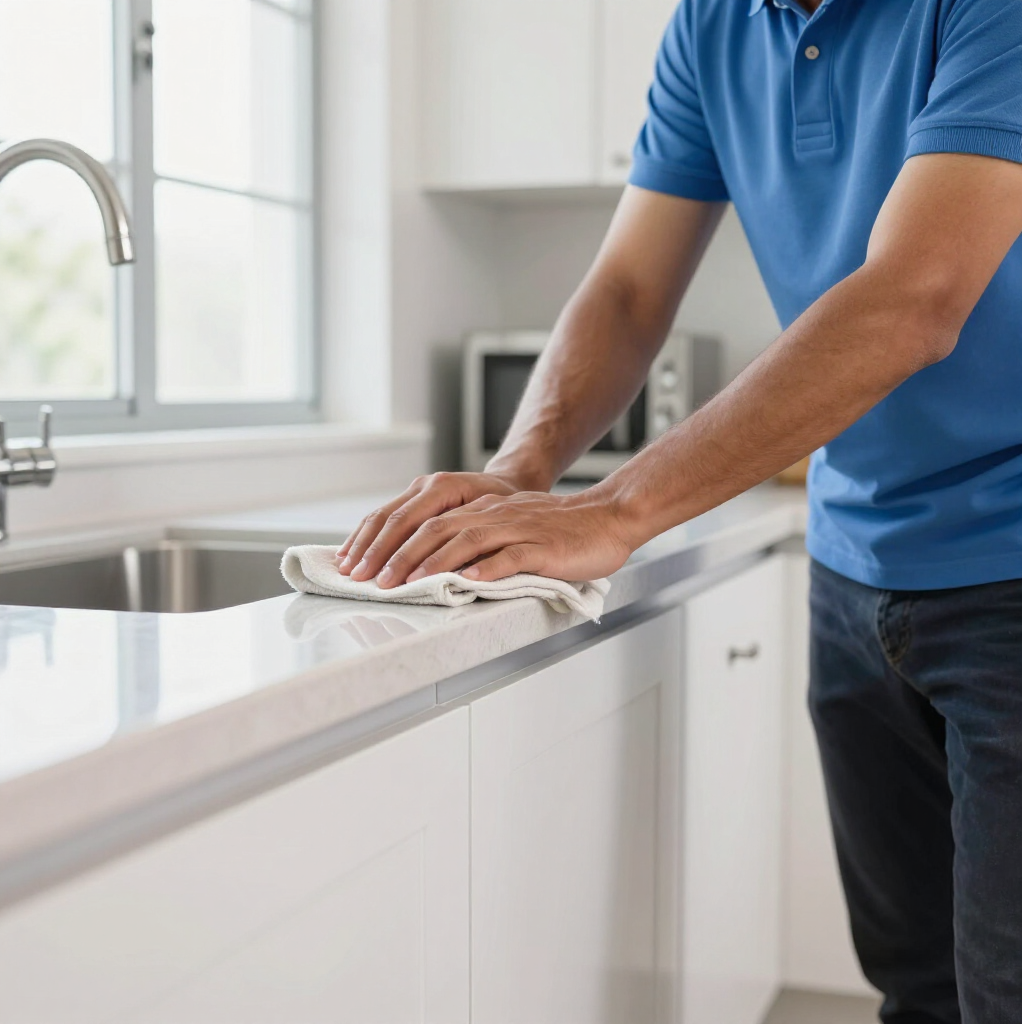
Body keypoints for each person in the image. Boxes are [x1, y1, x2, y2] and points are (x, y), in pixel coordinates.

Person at [337, 1, 1022, 1019]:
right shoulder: (713, 23)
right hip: (854, 569)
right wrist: (525, 466)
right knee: (915, 987)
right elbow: (623, 290)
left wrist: (613, 508)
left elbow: (914, 293)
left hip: (1006, 567)